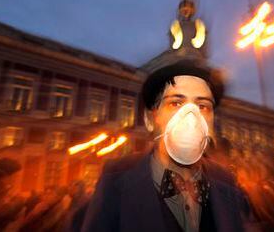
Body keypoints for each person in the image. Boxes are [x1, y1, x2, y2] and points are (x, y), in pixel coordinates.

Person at [81, 60, 259, 232]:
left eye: (203, 106)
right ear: (150, 120)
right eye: (176, 103)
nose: (191, 117)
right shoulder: (116, 177)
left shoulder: (225, 181)